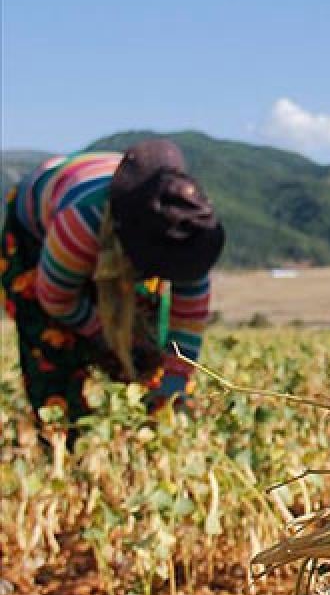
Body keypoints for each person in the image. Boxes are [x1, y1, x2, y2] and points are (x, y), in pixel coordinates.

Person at [1, 139, 224, 444]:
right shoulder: (81, 221)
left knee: (146, 334)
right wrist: (105, 337)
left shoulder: (190, 229)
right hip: (37, 231)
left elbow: (187, 320)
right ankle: (64, 440)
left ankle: (144, 426)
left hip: (118, 219)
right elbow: (55, 298)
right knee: (51, 342)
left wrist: (172, 388)